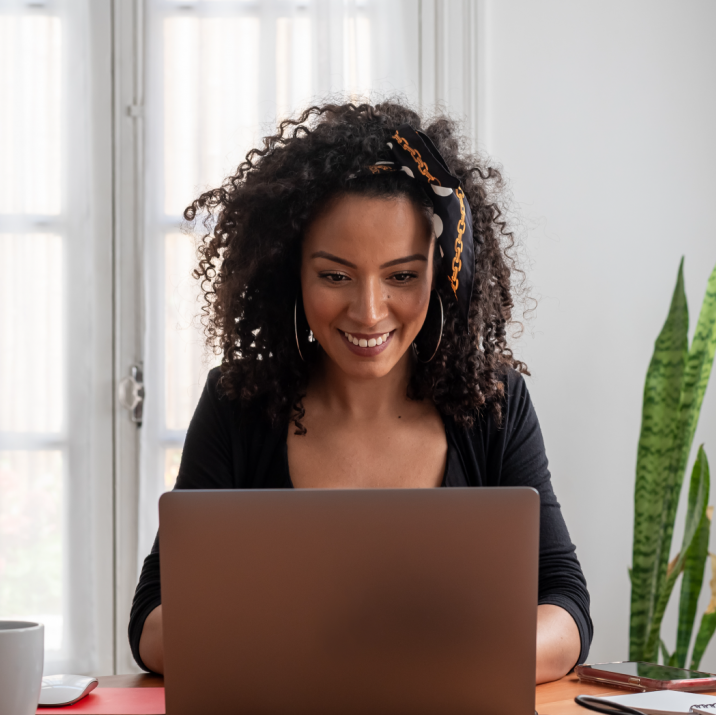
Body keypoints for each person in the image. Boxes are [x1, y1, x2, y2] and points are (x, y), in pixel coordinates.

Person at [129, 101, 593, 683]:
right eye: (335, 275)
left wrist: (434, 662)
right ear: (290, 272)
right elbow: (153, 623)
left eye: (401, 276)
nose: (369, 312)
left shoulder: (495, 403)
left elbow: (566, 608)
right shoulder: (236, 403)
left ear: (448, 272)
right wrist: (327, 654)